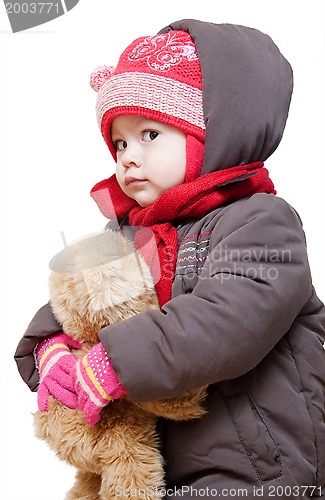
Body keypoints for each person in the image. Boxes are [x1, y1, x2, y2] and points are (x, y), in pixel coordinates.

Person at [15, 19, 325, 499]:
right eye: (119, 142)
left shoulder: (263, 222)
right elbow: (79, 297)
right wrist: (52, 348)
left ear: (213, 134)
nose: (127, 158)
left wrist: (112, 362)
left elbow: (228, 319)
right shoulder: (127, 232)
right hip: (154, 466)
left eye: (149, 135)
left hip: (256, 468)